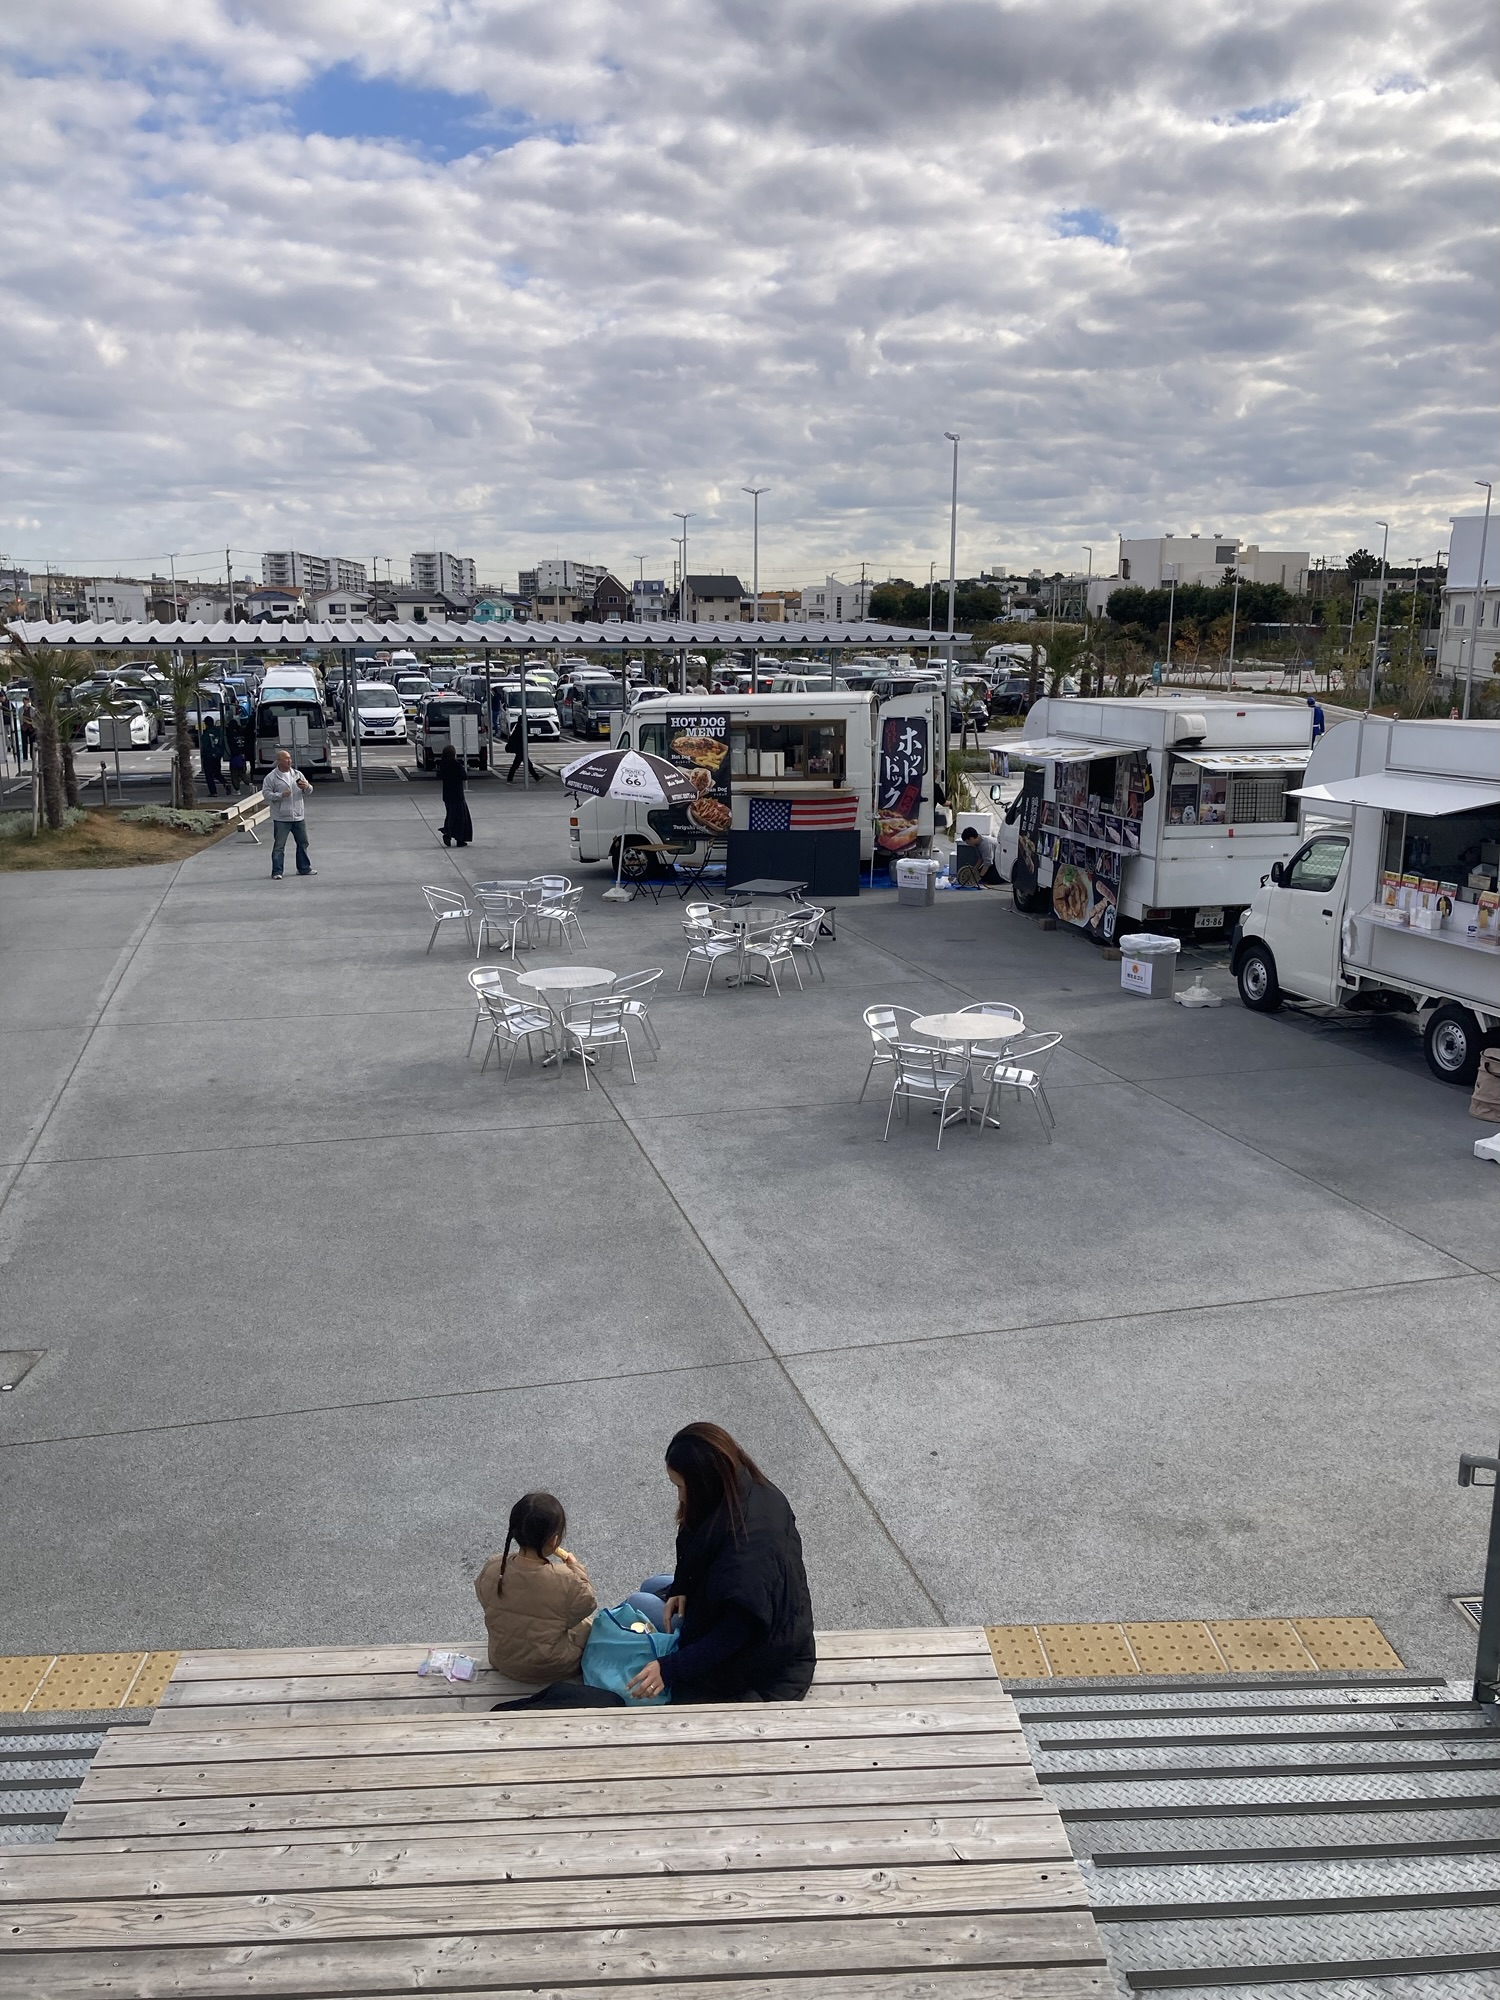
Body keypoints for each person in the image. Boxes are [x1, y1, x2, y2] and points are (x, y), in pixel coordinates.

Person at [626, 1422, 815, 1705]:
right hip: (755, 1615)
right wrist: (682, 1586)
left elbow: (734, 1634)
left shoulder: (748, 1556)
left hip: (760, 1657)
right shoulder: (746, 1487)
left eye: (681, 1486)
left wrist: (670, 1668)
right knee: (653, 1587)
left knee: (638, 1601)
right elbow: (699, 1552)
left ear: (704, 1482)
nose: (680, 1496)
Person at [474, 1492, 598, 1683]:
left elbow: (484, 1598)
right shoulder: (566, 1580)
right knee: (588, 1626)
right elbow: (587, 1602)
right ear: (554, 1540)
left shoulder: (494, 1568)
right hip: (552, 1668)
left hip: (503, 1660)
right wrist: (575, 1567)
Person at [262, 749, 314, 879]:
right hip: (281, 818)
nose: (289, 760)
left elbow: (310, 790)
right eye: (286, 758)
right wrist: (280, 795)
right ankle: (277, 871)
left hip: (298, 815)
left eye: (290, 758)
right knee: (279, 846)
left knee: (303, 842)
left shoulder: (297, 774)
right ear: (278, 761)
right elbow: (266, 794)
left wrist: (306, 786)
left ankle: (304, 868)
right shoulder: (271, 777)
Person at [438, 743, 473, 847]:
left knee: (451, 815)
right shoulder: (456, 765)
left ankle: (448, 832)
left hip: (447, 795)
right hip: (457, 796)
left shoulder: (443, 765)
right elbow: (464, 776)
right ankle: (458, 838)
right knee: (461, 818)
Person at [504, 714, 544, 784]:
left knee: (526, 764)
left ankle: (536, 777)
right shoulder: (520, 728)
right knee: (518, 764)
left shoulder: (519, 727)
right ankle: (509, 779)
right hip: (520, 749)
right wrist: (534, 737)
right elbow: (524, 739)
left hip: (520, 749)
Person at [199, 714, 226, 797]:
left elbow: (205, 745)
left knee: (209, 775)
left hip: (208, 756)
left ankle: (213, 792)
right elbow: (222, 743)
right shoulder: (218, 731)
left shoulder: (206, 734)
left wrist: (203, 755)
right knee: (217, 772)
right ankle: (225, 782)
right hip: (217, 756)